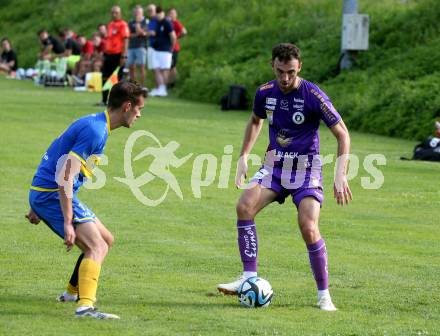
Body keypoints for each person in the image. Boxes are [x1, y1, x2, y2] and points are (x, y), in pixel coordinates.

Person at [217, 43, 352, 311]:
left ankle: (324, 295)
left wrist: (341, 174)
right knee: (244, 207)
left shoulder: (313, 95)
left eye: (291, 72)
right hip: (275, 165)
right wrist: (244, 155)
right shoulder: (265, 93)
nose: (286, 78)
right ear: (273, 66)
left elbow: (342, 134)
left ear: (299, 67)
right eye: (280, 71)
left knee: (308, 226)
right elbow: (255, 121)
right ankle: (248, 279)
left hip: (306, 169)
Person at [26, 80, 147, 319]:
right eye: (139, 108)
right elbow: (64, 176)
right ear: (126, 106)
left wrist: (35, 203)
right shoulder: (95, 130)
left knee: (106, 240)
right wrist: (67, 221)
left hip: (46, 193)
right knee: (96, 246)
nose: (139, 114)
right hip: (51, 194)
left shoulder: (97, 124)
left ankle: (71, 293)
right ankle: (85, 307)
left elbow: (56, 155)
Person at [98, 6, 129, 106]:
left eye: (116, 12)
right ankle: (104, 99)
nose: (114, 14)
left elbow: (125, 40)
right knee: (105, 76)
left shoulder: (123, 25)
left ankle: (117, 101)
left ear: (120, 13)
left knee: (117, 78)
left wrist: (124, 56)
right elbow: (108, 40)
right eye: (113, 13)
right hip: (109, 55)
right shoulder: (110, 25)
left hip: (118, 54)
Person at [149, 6, 176, 97]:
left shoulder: (167, 22)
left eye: (159, 13)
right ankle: (160, 88)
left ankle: (164, 89)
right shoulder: (158, 23)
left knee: (164, 70)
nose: (158, 15)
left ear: (162, 13)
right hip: (157, 49)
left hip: (165, 50)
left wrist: (172, 48)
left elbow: (173, 36)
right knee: (156, 69)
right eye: (157, 13)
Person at [127, 5, 149, 87]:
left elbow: (142, 33)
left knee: (141, 67)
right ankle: (133, 85)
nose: (137, 14)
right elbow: (128, 35)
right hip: (131, 47)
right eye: (136, 12)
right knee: (131, 66)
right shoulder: (130, 22)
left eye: (138, 12)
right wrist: (139, 33)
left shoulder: (146, 21)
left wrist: (138, 24)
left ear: (142, 12)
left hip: (141, 46)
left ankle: (142, 86)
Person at [167, 8, 187, 86]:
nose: (172, 15)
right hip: (167, 47)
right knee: (169, 66)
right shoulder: (168, 23)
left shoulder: (176, 23)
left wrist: (177, 37)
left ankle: (172, 83)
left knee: (172, 66)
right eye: (170, 13)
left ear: (176, 15)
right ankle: (169, 83)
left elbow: (184, 31)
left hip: (174, 48)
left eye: (173, 13)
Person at [146, 4, 158, 85]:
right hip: (151, 46)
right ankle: (158, 87)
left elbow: (154, 33)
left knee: (157, 68)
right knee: (153, 68)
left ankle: (161, 87)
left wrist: (148, 33)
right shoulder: (150, 21)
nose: (150, 12)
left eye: (151, 10)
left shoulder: (158, 20)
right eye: (149, 10)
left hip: (157, 47)